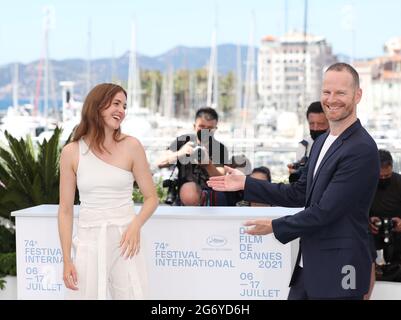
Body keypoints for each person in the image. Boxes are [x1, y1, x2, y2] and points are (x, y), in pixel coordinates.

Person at [208, 62, 380, 300]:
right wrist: (246, 184)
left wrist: (274, 226)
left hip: (341, 269)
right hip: (309, 267)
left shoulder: (361, 148)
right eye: (327, 92)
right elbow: (300, 193)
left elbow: (326, 212)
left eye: (341, 92)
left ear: (357, 95)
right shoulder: (321, 142)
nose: (332, 99)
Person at [58, 83, 159, 300]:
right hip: (89, 238)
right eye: (116, 104)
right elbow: (65, 210)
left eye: (124, 106)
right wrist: (67, 259)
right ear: (97, 105)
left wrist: (135, 225)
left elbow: (152, 198)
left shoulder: (132, 146)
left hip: (127, 239)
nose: (121, 110)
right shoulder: (71, 152)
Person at [157, 107, 229, 206]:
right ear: (194, 126)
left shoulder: (219, 148)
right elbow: (160, 163)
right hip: (183, 194)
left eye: (209, 129)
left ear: (215, 129)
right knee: (188, 190)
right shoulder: (183, 141)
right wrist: (180, 153)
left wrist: (208, 164)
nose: (205, 131)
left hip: (209, 197)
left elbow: (221, 178)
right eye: (202, 127)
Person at [367, 149, 401, 292]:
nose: (383, 179)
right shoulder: (363, 184)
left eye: (387, 175)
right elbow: (352, 210)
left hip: (397, 236)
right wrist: (367, 221)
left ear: (392, 167)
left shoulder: (399, 182)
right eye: (380, 176)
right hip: (370, 235)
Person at [288, 101, 329, 183]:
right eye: (312, 124)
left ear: (329, 122)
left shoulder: (336, 144)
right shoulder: (303, 146)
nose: (316, 128)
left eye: (320, 124)